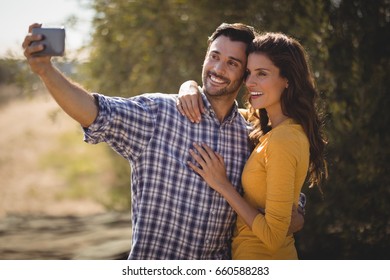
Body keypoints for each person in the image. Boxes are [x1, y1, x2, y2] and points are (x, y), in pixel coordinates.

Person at [23, 22, 303, 259]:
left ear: (244, 75)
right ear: (205, 58)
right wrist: (45, 71)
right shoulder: (160, 113)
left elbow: (289, 210)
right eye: (214, 56)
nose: (218, 68)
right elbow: (94, 111)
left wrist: (287, 216)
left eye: (232, 63)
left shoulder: (250, 134)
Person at [177, 32, 327, 259]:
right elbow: (224, 112)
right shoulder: (270, 128)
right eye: (248, 73)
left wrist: (223, 185)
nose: (249, 82)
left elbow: (274, 238)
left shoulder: (283, 140)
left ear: (287, 79)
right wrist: (189, 87)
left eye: (262, 74)